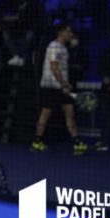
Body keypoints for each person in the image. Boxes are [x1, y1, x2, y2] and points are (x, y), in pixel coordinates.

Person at [31, 23, 87, 155]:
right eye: (68, 31)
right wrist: (64, 84)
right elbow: (54, 67)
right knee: (45, 113)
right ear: (60, 32)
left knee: (70, 112)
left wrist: (65, 84)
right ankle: (37, 141)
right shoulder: (53, 47)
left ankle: (77, 142)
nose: (71, 34)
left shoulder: (64, 48)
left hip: (63, 87)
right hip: (50, 86)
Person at [0, 0, 43, 67]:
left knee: (29, 35)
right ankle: (17, 56)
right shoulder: (15, 6)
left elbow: (26, 18)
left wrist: (13, 18)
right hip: (18, 30)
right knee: (5, 33)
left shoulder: (32, 5)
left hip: (30, 29)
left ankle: (21, 56)